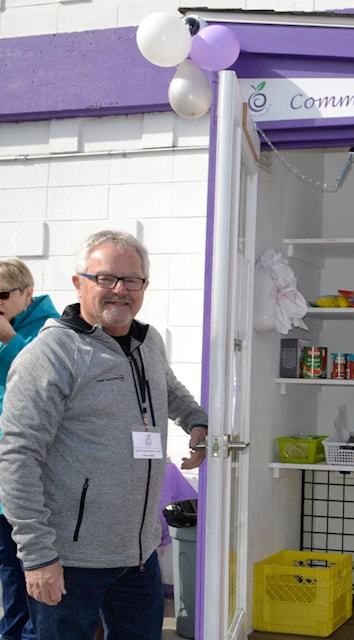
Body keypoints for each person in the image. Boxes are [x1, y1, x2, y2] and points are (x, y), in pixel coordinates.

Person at [0, 231, 209, 640]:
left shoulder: (148, 342)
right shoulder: (51, 355)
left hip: (139, 555)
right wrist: (39, 558)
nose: (120, 291)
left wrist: (197, 422)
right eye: (106, 279)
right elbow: (17, 459)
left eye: (133, 280)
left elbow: (169, 389)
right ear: (79, 283)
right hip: (69, 560)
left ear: (145, 286)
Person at [0, 259, 61, 640]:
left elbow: (35, 388)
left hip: (36, 479)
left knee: (36, 575)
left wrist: (9, 340)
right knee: (9, 572)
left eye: (3, 294)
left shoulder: (50, 331)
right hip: (5, 479)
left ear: (27, 292)